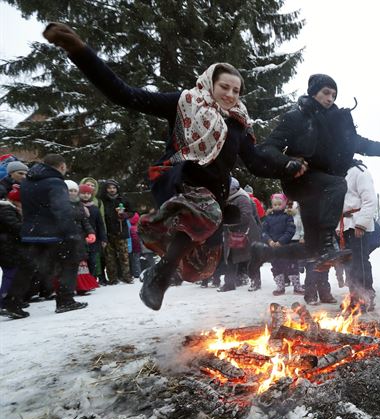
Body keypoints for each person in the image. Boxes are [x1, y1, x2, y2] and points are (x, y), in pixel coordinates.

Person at [43, 22, 300, 310]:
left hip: (214, 194)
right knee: (206, 209)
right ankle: (161, 276)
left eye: (236, 90)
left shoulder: (238, 125)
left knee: (204, 262)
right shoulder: (184, 103)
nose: (229, 94)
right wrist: (80, 51)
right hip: (179, 179)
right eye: (224, 86)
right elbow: (124, 94)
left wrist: (287, 167)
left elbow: (255, 163)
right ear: (210, 83)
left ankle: (160, 271)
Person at [252, 73, 380, 271]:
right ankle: (329, 242)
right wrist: (287, 162)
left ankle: (264, 253)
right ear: (312, 93)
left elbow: (365, 145)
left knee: (311, 249)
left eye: (334, 95)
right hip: (300, 180)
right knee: (338, 184)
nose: (330, 98)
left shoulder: (338, 123)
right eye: (325, 93)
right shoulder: (296, 118)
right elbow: (267, 147)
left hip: (319, 189)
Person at [2, 154, 88, 318]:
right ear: (61, 166)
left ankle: (11, 302)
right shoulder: (55, 182)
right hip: (54, 232)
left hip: (31, 232)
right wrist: (72, 229)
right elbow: (61, 209)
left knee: (27, 268)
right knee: (68, 264)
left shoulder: (27, 182)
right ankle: (65, 300)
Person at [339, 160, 377, 309]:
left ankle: (366, 296)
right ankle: (354, 296)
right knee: (348, 263)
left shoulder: (360, 172)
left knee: (360, 262)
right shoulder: (340, 174)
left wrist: (361, 223)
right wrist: (338, 227)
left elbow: (370, 200)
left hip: (358, 223)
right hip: (345, 225)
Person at [218, 178, 262, 292]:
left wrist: (228, 221)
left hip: (247, 233)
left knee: (251, 257)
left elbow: (246, 215)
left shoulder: (242, 198)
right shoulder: (228, 199)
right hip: (233, 233)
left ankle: (255, 281)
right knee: (231, 258)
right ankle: (229, 284)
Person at [261, 193, 302, 295]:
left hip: (286, 246)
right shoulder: (268, 218)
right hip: (273, 247)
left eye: (280, 204)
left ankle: (296, 286)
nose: (277, 206)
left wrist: (281, 241)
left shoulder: (288, 216)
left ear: (284, 204)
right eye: (275, 204)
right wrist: (269, 241)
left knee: (292, 265)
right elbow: (264, 232)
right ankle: (280, 287)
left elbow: (290, 230)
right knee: (276, 266)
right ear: (272, 205)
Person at [65, 180, 99, 295]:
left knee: (80, 262)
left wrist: (91, 232)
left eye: (75, 190)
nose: (73, 193)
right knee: (68, 264)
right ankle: (68, 287)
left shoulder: (79, 204)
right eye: (70, 190)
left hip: (79, 237)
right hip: (66, 237)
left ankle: (82, 286)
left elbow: (85, 221)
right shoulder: (60, 203)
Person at [100, 179, 134, 284]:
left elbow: (132, 212)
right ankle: (113, 278)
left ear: (117, 188)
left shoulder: (123, 199)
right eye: (109, 188)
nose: (112, 190)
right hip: (108, 233)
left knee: (124, 257)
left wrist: (126, 215)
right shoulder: (102, 201)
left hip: (121, 231)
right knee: (110, 258)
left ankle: (127, 277)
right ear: (106, 189)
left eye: (114, 188)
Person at [0, 185, 27, 317]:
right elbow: (15, 227)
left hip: (9, 246)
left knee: (12, 273)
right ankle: (5, 301)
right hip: (7, 247)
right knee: (10, 274)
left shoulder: (8, 209)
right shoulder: (5, 209)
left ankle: (9, 300)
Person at [79, 183, 107, 281]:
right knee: (83, 261)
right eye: (83, 193)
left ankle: (92, 279)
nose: (85, 195)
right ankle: (84, 281)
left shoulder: (95, 208)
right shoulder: (76, 207)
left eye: (88, 193)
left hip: (94, 239)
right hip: (81, 238)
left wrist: (103, 238)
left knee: (93, 261)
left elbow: (100, 224)